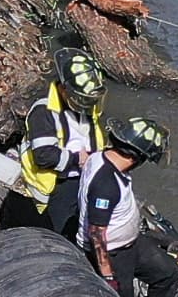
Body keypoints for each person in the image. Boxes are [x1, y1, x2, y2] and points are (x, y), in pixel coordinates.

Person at [45, 116, 178, 297]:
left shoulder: (100, 157)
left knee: (167, 272)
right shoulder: (106, 185)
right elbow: (97, 233)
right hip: (112, 255)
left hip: (131, 244)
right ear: (137, 157)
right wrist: (108, 275)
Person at [12, 48, 107, 220]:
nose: (87, 105)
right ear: (63, 89)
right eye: (81, 99)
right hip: (55, 187)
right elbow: (44, 156)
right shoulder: (44, 111)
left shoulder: (88, 104)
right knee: (61, 234)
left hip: (85, 176)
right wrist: (77, 159)